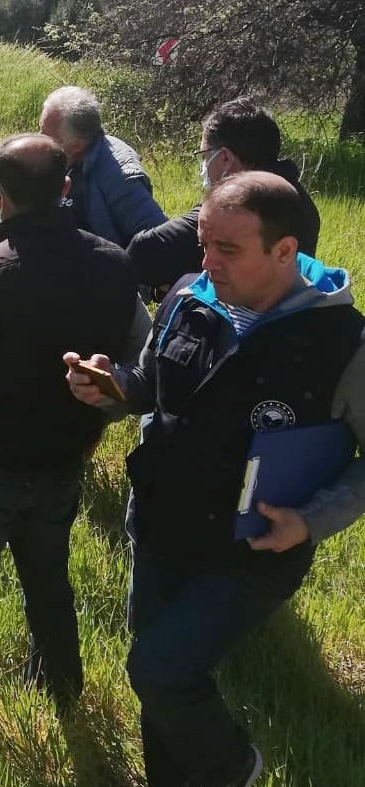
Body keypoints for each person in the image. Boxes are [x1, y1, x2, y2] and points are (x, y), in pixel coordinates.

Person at [66, 171, 365, 787]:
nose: (209, 262)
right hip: (159, 524)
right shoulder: (186, 296)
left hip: (251, 551)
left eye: (228, 250)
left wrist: (312, 521)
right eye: (203, 243)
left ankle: (233, 769)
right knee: (160, 680)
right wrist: (112, 384)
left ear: (285, 252)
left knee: (159, 669)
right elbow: (151, 384)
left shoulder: (344, 343)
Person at [0, 134, 149, 711]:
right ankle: (62, 690)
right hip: (64, 462)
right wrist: (109, 406)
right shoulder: (117, 266)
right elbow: (141, 363)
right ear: (66, 188)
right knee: (49, 583)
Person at [127, 97, 321, 296]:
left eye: (204, 157)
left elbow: (142, 253)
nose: (203, 167)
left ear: (225, 158)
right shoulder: (301, 201)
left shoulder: (234, 208)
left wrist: (175, 286)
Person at [39, 85, 167, 246]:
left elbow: (157, 239)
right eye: (40, 131)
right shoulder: (57, 157)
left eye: (49, 138)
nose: (40, 141)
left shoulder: (120, 177)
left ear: (77, 145)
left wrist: (118, 266)